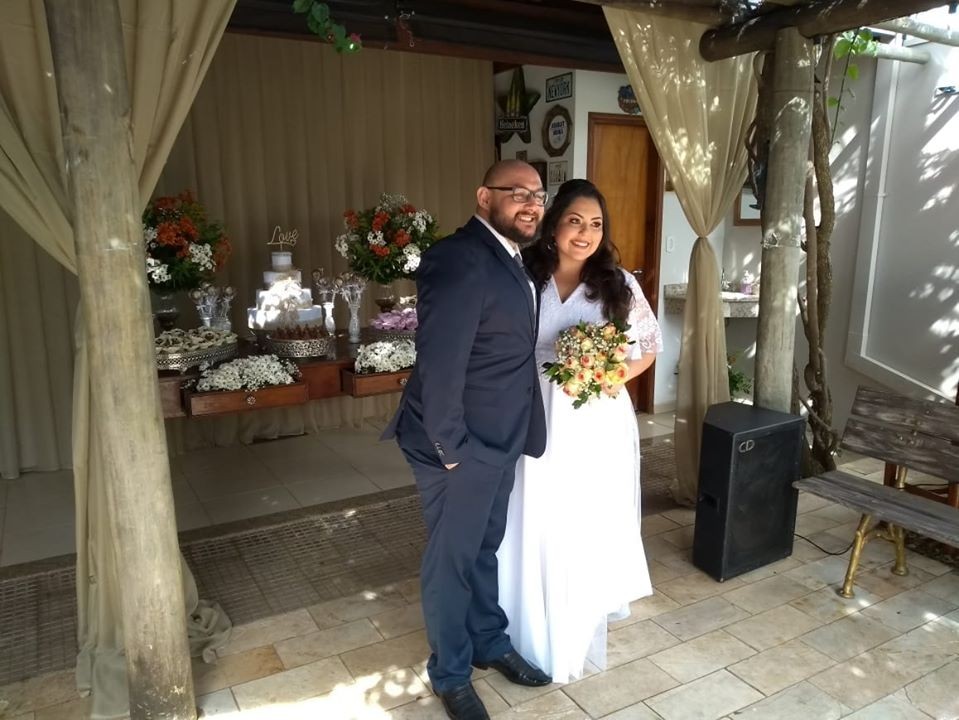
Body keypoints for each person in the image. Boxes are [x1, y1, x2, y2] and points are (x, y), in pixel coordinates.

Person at [382, 160, 551, 720]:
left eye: (538, 195)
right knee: (451, 560)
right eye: (517, 193)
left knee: (483, 547)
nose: (531, 204)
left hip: (500, 438)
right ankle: (451, 673)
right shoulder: (457, 257)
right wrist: (451, 450)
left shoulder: (512, 258)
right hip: (458, 444)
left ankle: (488, 641)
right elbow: (440, 363)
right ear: (484, 196)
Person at [496, 178, 663, 684]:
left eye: (595, 224)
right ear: (553, 225)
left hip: (593, 416)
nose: (585, 233)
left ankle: (576, 600)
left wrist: (606, 375)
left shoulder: (618, 285)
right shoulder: (525, 275)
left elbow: (648, 348)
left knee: (580, 511)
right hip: (532, 408)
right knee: (531, 506)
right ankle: (524, 599)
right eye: (574, 221)